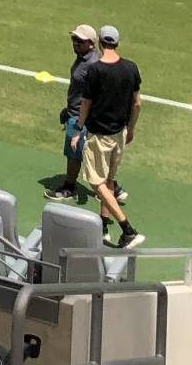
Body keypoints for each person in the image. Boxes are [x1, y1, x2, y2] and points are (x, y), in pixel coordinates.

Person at [72, 24, 143, 248]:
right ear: (117, 43)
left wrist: (78, 129)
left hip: (99, 136)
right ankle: (103, 225)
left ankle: (127, 229)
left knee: (97, 183)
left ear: (101, 43)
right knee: (109, 181)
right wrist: (131, 129)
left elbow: (86, 104)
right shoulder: (131, 68)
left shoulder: (95, 71)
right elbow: (137, 104)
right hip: (119, 134)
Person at [56, 24, 100, 200]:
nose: (75, 43)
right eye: (74, 40)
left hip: (82, 116)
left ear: (91, 43)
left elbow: (94, 95)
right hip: (75, 112)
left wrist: (82, 117)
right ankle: (113, 188)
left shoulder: (92, 65)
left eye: (80, 41)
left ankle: (69, 187)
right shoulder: (83, 58)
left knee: (76, 153)